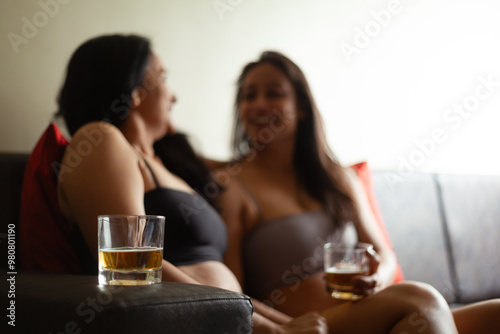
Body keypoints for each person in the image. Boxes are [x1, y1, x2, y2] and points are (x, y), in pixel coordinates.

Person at [48, 34, 329, 334]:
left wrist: (284, 324)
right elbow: (132, 266)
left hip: (229, 320)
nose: (174, 96)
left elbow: (231, 296)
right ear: (137, 91)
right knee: (388, 304)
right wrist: (272, 330)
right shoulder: (99, 140)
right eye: (163, 78)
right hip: (188, 323)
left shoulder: (162, 162)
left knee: (382, 311)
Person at [214, 50, 500, 333]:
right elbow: (229, 294)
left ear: (301, 107)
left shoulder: (338, 178)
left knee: (494, 313)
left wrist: (377, 279)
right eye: (249, 96)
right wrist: (287, 329)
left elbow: (384, 255)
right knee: (421, 299)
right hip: (314, 325)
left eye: (273, 93)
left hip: (374, 315)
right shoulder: (233, 186)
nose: (259, 104)